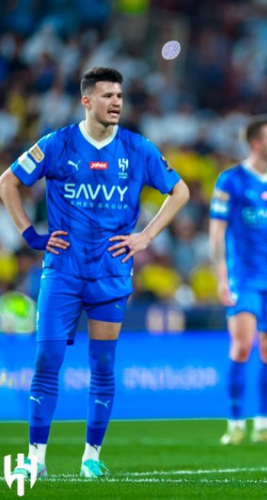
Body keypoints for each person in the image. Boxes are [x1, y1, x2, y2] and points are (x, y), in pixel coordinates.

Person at [0, 67, 189, 479]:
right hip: (63, 271)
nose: (116, 102)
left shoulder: (138, 148)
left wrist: (146, 237)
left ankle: (91, 456)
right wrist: (30, 235)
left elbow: (181, 191)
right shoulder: (58, 143)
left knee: (102, 365)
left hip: (111, 274)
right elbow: (7, 182)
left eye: (120, 95)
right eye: (107, 96)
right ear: (86, 101)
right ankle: (35, 459)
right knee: (47, 359)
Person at [209, 115, 267, 445]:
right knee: (241, 346)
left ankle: (263, 425)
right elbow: (217, 232)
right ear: (256, 144)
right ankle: (234, 425)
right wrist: (221, 277)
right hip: (243, 278)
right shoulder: (230, 180)